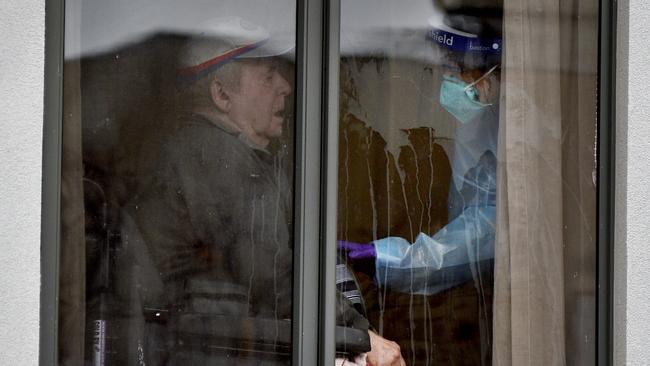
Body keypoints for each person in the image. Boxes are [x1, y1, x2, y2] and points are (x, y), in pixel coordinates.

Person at [128, 16, 404, 366]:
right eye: (268, 76)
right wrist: (363, 338)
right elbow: (275, 276)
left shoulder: (194, 152)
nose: (286, 86)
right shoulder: (217, 159)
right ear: (222, 94)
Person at [338, 14, 501, 296]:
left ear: (493, 71)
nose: (451, 79)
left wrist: (394, 260)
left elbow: (487, 231)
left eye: (461, 67)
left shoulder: (525, 132)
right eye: (447, 67)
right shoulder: (476, 126)